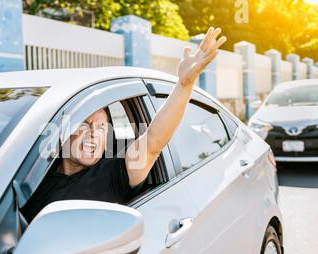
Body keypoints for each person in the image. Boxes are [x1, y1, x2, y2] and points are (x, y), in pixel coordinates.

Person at [21, 27, 227, 222]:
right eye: (84, 124)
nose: (94, 133)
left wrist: (184, 85)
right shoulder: (35, 174)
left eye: (101, 127)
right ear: (64, 132)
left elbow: (153, 142)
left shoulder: (111, 173)